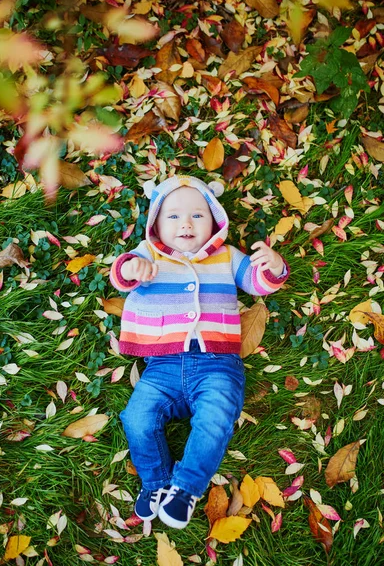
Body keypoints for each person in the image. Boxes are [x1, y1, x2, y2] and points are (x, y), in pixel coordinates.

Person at [109, 175, 289, 529]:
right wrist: (132, 268)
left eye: (198, 215)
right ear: (156, 224)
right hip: (162, 364)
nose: (186, 224)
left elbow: (256, 283)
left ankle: (186, 488)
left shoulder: (225, 255)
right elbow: (121, 275)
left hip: (217, 364)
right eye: (173, 217)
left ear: (215, 220)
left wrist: (274, 266)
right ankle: (156, 482)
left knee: (216, 417)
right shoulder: (150, 253)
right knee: (136, 418)